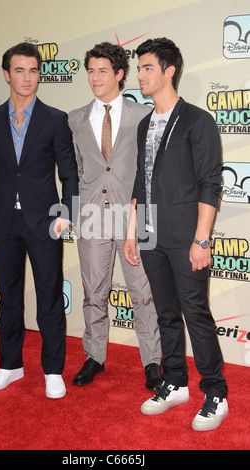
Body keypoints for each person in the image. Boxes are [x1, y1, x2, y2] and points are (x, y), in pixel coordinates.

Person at [123, 38, 228, 431]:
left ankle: (215, 392)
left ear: (169, 71)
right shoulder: (145, 124)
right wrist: (132, 234)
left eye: (147, 67)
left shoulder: (198, 120)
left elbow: (209, 183)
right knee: (165, 313)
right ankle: (175, 382)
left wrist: (202, 239)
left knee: (195, 314)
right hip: (150, 237)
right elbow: (140, 181)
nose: (141, 75)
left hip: (187, 238)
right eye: (140, 68)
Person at [0, 42, 78, 399]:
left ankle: (52, 370)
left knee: (49, 297)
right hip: (1, 222)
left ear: (39, 75)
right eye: (19, 70)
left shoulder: (55, 119)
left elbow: (69, 174)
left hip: (45, 221)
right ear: (6, 75)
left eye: (33, 70)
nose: (27, 77)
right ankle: (10, 365)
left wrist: (67, 213)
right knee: (9, 299)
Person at [69, 42, 162, 390]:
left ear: (120, 74)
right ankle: (94, 356)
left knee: (144, 293)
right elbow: (77, 169)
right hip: (92, 216)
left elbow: (149, 170)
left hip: (135, 215)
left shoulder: (143, 115)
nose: (95, 77)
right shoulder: (75, 118)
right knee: (94, 291)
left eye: (102, 71)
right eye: (90, 71)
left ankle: (153, 361)